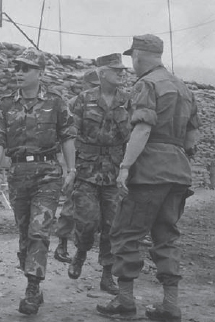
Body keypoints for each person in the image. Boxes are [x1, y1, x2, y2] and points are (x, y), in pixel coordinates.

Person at [96, 34, 200, 322]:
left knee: (126, 232)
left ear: (139, 55)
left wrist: (126, 167)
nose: (131, 63)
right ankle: (170, 305)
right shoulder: (184, 88)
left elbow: (142, 128)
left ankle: (125, 301)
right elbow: (192, 139)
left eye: (132, 57)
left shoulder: (146, 84)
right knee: (166, 236)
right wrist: (175, 162)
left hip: (148, 171)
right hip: (178, 172)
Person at [0, 48, 76, 315]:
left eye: (25, 69)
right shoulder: (5, 105)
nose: (19, 73)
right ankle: (33, 281)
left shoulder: (56, 102)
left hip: (48, 173)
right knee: (25, 232)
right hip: (18, 174)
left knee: (39, 231)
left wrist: (71, 169)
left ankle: (32, 289)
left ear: (40, 73)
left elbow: (67, 136)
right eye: (17, 68)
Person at [66, 54, 130, 296]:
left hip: (115, 171)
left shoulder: (128, 101)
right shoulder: (83, 100)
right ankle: (81, 252)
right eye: (116, 70)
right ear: (102, 74)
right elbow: (70, 135)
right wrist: (69, 168)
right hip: (86, 169)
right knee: (87, 222)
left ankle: (106, 275)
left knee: (113, 225)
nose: (122, 74)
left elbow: (133, 137)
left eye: (123, 70)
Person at [53, 70, 100, 263]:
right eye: (94, 85)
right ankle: (62, 243)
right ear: (85, 85)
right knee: (72, 202)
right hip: (79, 159)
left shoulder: (109, 103)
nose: (97, 89)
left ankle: (87, 244)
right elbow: (66, 135)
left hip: (102, 162)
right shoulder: (74, 104)